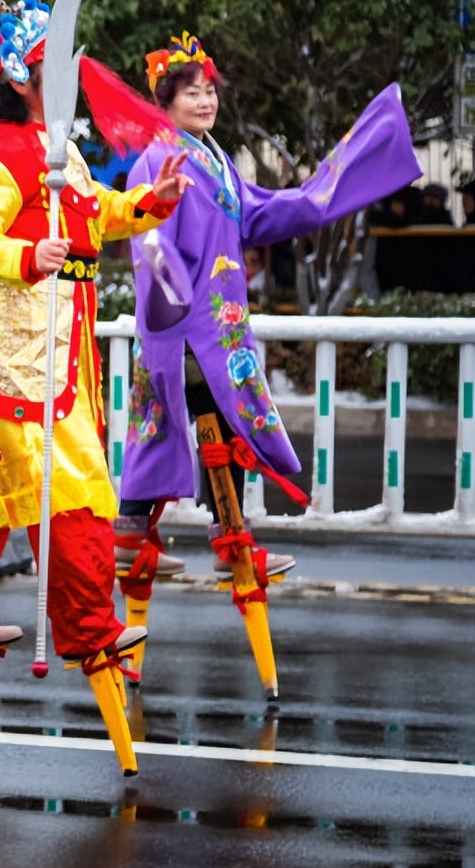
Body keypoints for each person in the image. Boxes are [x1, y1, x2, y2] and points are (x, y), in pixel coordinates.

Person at [0, 0, 188, 766]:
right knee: (73, 485)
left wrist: (144, 207)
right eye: (53, 69)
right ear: (21, 77)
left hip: (57, 337)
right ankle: (86, 627)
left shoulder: (58, 147)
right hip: (14, 339)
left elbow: (90, 214)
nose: (68, 80)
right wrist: (24, 255)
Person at [115, 32, 421, 671]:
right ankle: (226, 542)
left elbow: (260, 213)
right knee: (218, 427)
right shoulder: (157, 160)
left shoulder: (217, 160)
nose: (204, 101)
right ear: (165, 100)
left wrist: (323, 196)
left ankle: (146, 530)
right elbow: (149, 243)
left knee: (199, 428)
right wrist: (167, 306)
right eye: (190, 92)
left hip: (218, 327)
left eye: (208, 91)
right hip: (187, 331)